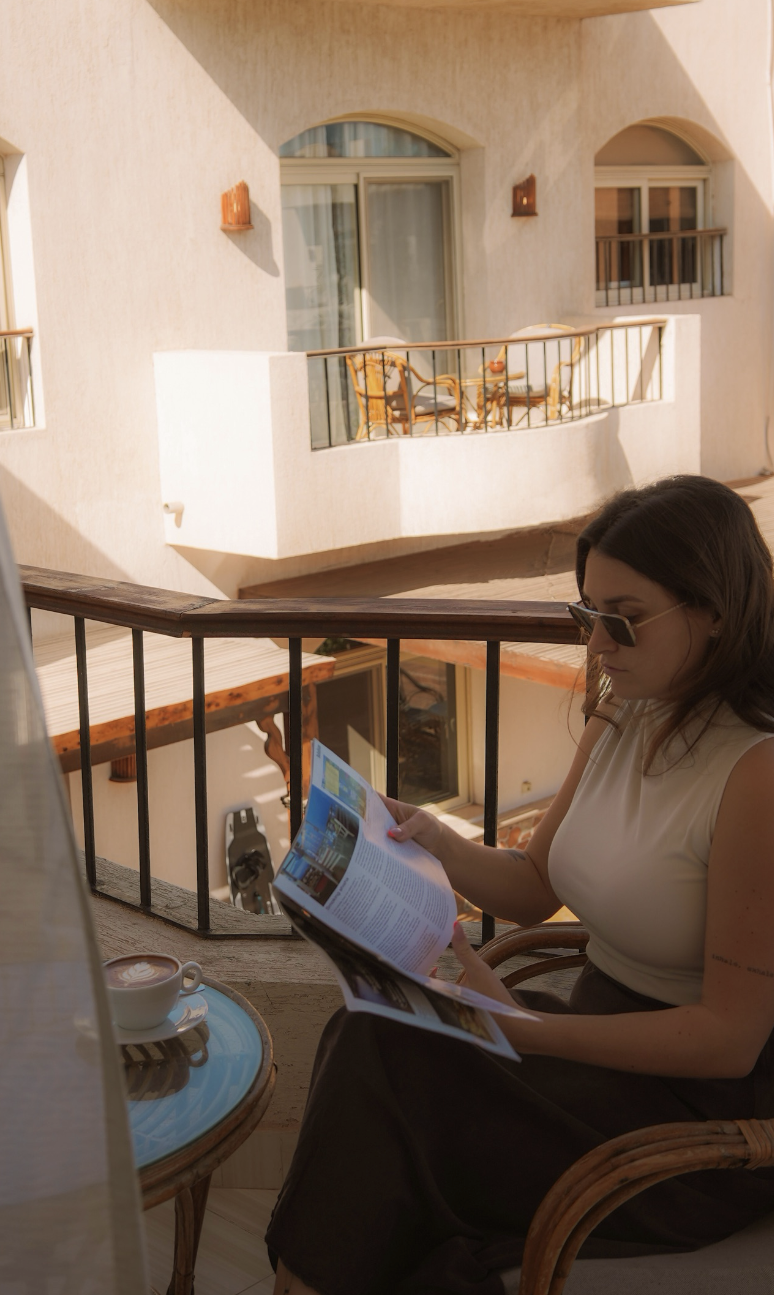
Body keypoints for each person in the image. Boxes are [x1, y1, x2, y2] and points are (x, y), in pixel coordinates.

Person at [267, 475, 774, 1295]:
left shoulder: (756, 772)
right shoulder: (624, 712)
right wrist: (432, 839)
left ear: (714, 610)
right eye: (587, 615)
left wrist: (525, 1032)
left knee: (390, 1065)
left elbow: (728, 1038)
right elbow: (536, 885)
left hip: (692, 1122)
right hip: (589, 1056)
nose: (599, 644)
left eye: (624, 618)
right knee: (372, 1032)